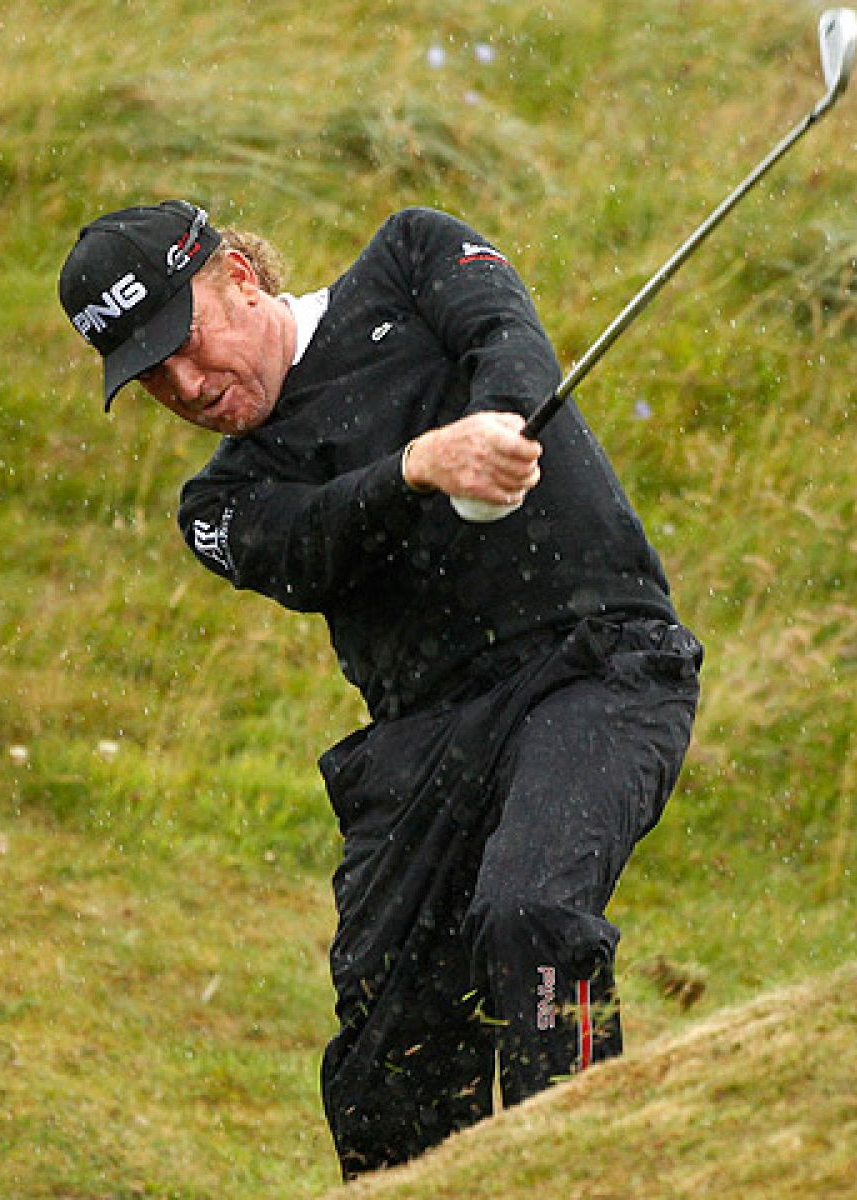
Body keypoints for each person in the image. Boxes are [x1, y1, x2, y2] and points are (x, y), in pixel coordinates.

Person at [57, 200, 702, 1179]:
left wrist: (496, 424)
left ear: (239, 277)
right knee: (385, 1065)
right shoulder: (221, 502)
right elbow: (307, 541)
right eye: (151, 376)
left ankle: (583, 1173)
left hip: (599, 665)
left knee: (531, 918)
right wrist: (418, 469)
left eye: (183, 343)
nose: (185, 386)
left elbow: (507, 336)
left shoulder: (408, 258)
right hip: (424, 744)